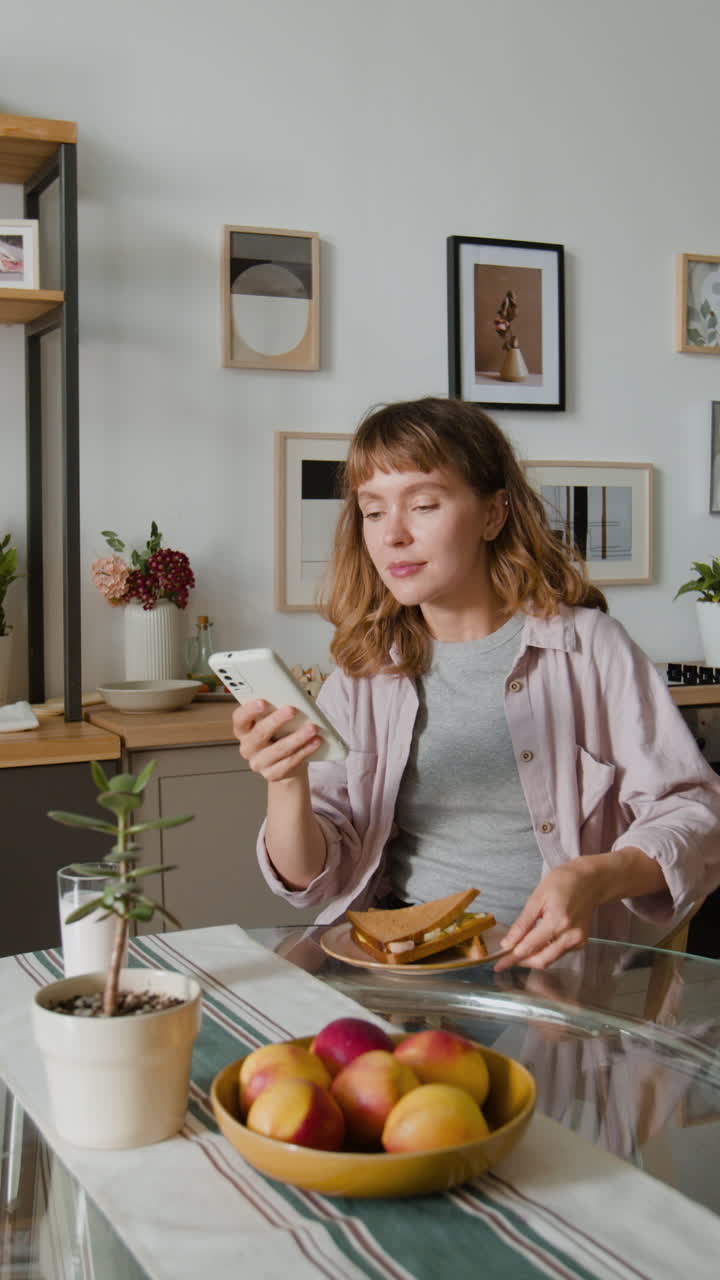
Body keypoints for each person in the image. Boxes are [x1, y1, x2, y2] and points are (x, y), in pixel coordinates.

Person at [233, 397, 720, 968]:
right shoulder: (363, 671)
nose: (393, 536)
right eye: (372, 512)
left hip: (552, 967)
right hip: (399, 964)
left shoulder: (591, 649)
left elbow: (694, 813)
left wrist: (594, 876)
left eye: (422, 504)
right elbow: (309, 881)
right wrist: (286, 782)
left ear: (494, 514)